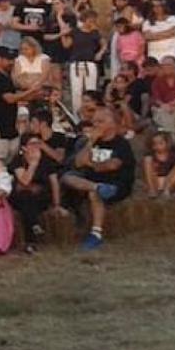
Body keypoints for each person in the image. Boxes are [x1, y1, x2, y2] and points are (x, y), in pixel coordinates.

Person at [60, 107, 135, 250]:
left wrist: (91, 164)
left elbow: (111, 165)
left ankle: (96, 234)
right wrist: (91, 141)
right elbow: (78, 162)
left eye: (100, 121)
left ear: (112, 124)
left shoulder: (121, 144)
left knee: (94, 194)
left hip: (116, 183)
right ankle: (98, 187)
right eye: (94, 122)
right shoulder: (92, 141)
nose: (95, 125)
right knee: (67, 177)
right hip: (93, 181)